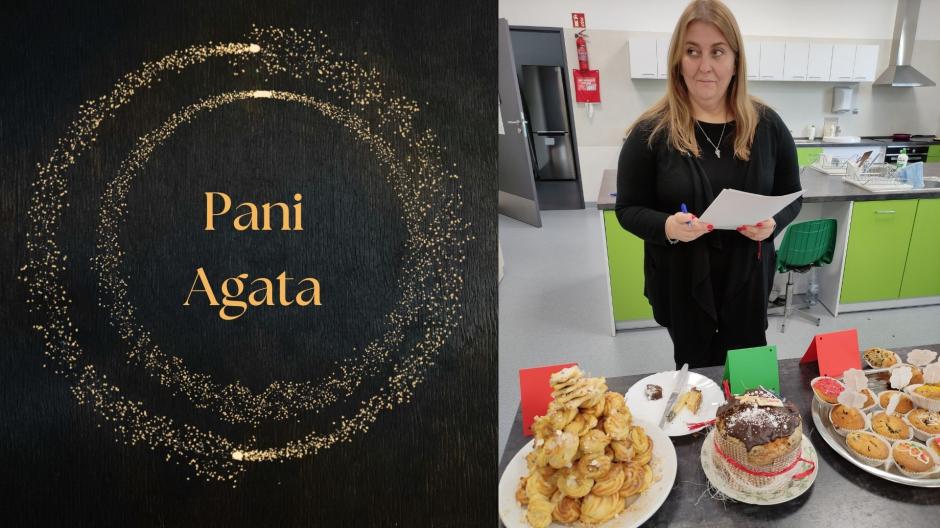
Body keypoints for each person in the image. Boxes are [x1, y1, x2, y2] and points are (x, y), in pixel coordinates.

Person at [615, 0, 801, 369]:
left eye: (717, 52)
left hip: (748, 281)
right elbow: (628, 209)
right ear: (678, 61)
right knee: (696, 378)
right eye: (692, 52)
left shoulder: (768, 126)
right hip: (683, 283)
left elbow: (790, 197)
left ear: (735, 60)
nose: (705, 66)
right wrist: (668, 226)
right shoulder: (650, 132)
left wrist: (772, 223)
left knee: (749, 377)